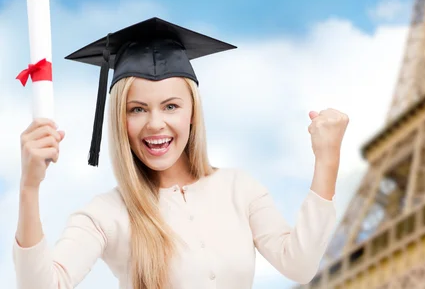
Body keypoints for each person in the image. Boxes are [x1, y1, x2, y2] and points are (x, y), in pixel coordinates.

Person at [13, 17, 349, 289]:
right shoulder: (106, 214)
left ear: (192, 113)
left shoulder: (239, 188)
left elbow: (300, 265)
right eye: (137, 109)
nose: (155, 124)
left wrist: (327, 160)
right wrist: (29, 187)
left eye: (171, 106)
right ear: (119, 120)